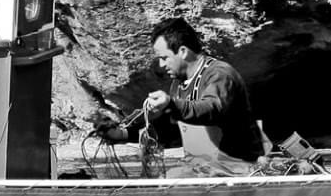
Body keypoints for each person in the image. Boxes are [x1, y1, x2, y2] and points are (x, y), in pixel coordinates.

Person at [96, 18, 266, 174]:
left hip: (238, 168)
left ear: (183, 51)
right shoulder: (178, 84)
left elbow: (211, 108)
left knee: (170, 180)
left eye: (164, 57)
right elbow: (172, 132)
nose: (161, 65)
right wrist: (122, 134)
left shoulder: (220, 74)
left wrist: (171, 104)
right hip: (202, 169)